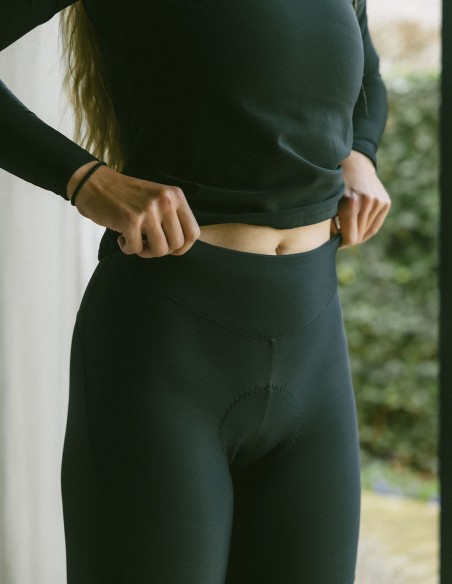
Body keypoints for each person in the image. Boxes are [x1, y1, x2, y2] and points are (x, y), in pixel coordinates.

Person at [1, 0, 390, 582]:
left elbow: (366, 77)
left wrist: (360, 153)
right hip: (167, 355)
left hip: (314, 350)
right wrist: (84, 179)